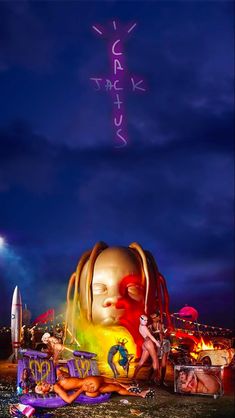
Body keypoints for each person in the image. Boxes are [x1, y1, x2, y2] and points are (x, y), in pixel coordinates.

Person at [34, 371, 154, 403]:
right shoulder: (56, 387)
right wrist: (81, 389)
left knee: (116, 389)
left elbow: (70, 379)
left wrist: (63, 374)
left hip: (91, 391)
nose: (43, 384)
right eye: (41, 387)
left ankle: (140, 394)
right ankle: (128, 386)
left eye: (41, 383)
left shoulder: (57, 384)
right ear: (44, 392)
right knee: (111, 380)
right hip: (89, 384)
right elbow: (69, 400)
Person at [132, 315, 160, 382]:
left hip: (145, 343)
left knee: (141, 362)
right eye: (144, 320)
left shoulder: (140, 326)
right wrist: (156, 342)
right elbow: (150, 336)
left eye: (147, 320)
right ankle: (156, 378)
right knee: (155, 360)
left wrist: (155, 332)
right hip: (148, 343)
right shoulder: (144, 327)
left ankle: (133, 377)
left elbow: (147, 334)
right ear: (140, 319)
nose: (146, 321)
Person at [148, 311, 171, 386]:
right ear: (157, 317)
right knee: (163, 363)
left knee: (155, 362)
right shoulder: (160, 325)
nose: (158, 318)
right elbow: (161, 336)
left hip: (155, 344)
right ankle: (161, 381)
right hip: (163, 344)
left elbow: (150, 337)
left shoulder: (150, 326)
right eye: (156, 317)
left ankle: (150, 379)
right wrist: (161, 344)